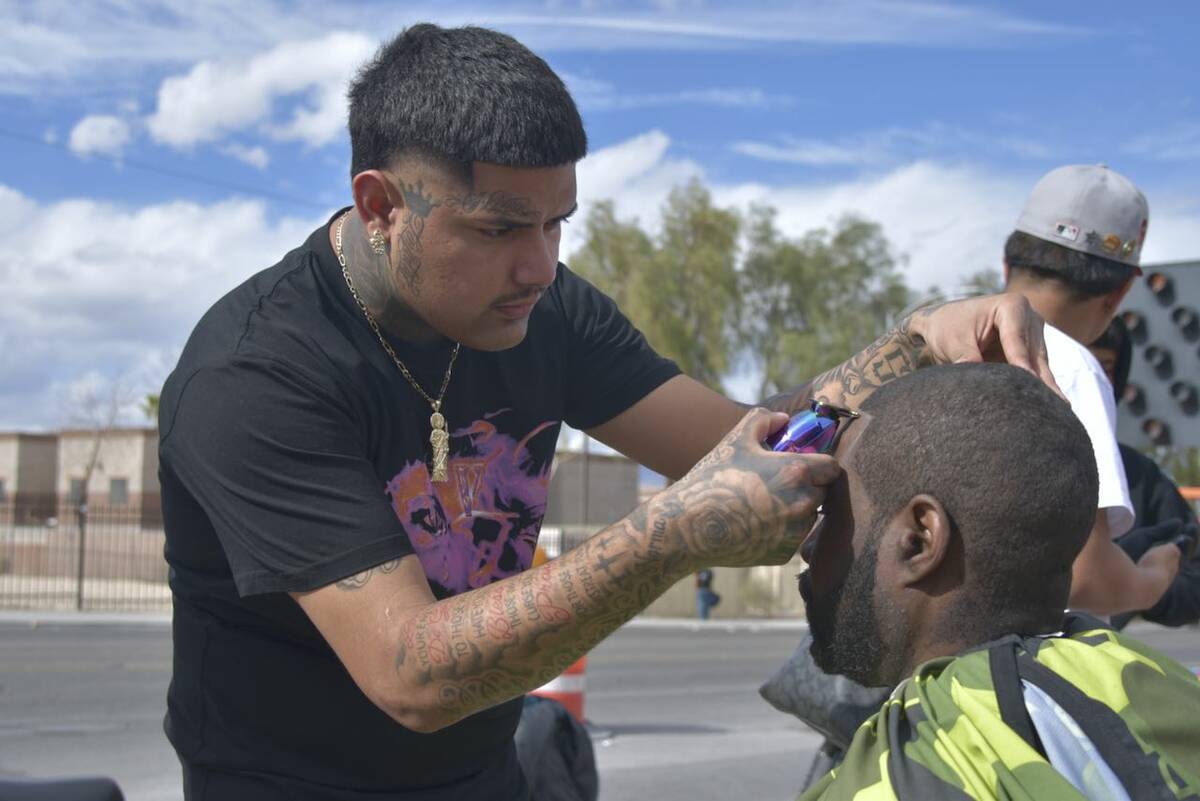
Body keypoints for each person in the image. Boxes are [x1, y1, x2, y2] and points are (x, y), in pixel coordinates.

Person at [158, 23, 1059, 800]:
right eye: (499, 227)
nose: (540, 266)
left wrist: (915, 342)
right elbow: (412, 675)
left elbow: (744, 443)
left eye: (558, 224)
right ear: (381, 205)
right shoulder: (258, 373)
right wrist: (670, 535)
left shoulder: (541, 309)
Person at [797, 363, 1200, 801]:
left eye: (831, 513)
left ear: (918, 540)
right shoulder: (1169, 695)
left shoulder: (896, 780)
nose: (808, 545)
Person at [1001, 164, 1180, 615]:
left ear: (1008, 264)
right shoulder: (1069, 366)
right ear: (1119, 293)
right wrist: (1156, 574)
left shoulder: (931, 337)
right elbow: (1085, 580)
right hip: (988, 669)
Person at [1088, 317, 1200, 628]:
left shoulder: (1137, 473)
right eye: (1074, 362)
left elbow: (1192, 574)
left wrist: (1140, 583)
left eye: (1104, 366)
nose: (1089, 378)